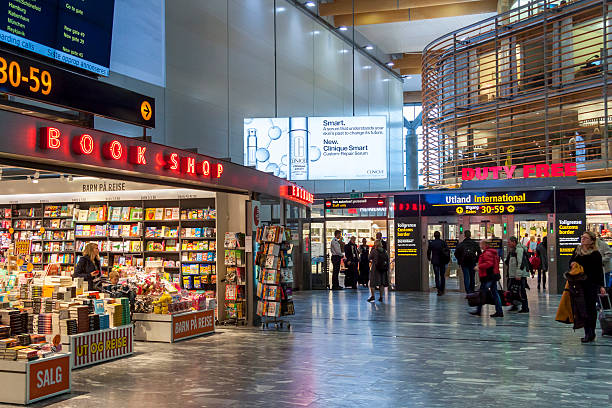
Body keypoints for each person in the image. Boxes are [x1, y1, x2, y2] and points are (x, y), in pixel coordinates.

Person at [569, 231, 606, 343]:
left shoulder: (596, 254)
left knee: (590, 309)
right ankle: (587, 333)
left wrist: (601, 286)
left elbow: (599, 271)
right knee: (582, 308)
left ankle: (591, 332)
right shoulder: (577, 251)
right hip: (579, 284)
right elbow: (570, 262)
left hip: (591, 284)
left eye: (585, 238)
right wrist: (572, 264)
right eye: (582, 237)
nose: (583, 239)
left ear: (591, 241)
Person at [470, 239, 504, 317]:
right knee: (494, 293)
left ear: (485, 245)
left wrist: (479, 266)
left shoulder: (487, 253)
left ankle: (479, 311)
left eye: (481, 244)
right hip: (492, 276)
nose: (480, 246)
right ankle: (499, 311)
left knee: (482, 293)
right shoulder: (492, 252)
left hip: (488, 276)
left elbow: (489, 263)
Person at [506, 237, 530, 313]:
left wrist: (518, 274)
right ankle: (515, 305)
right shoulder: (513, 250)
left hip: (519, 275)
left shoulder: (519, 250)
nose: (508, 244)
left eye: (509, 242)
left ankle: (525, 307)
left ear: (514, 242)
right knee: (513, 290)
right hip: (514, 274)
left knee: (521, 290)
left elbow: (520, 263)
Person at [427, 231, 449, 296]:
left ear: (434, 236)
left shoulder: (432, 243)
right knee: (442, 276)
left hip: (435, 261)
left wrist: (429, 258)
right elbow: (447, 251)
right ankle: (442, 289)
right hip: (442, 261)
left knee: (436, 276)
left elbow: (428, 251)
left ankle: (439, 289)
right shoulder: (443, 243)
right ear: (440, 236)